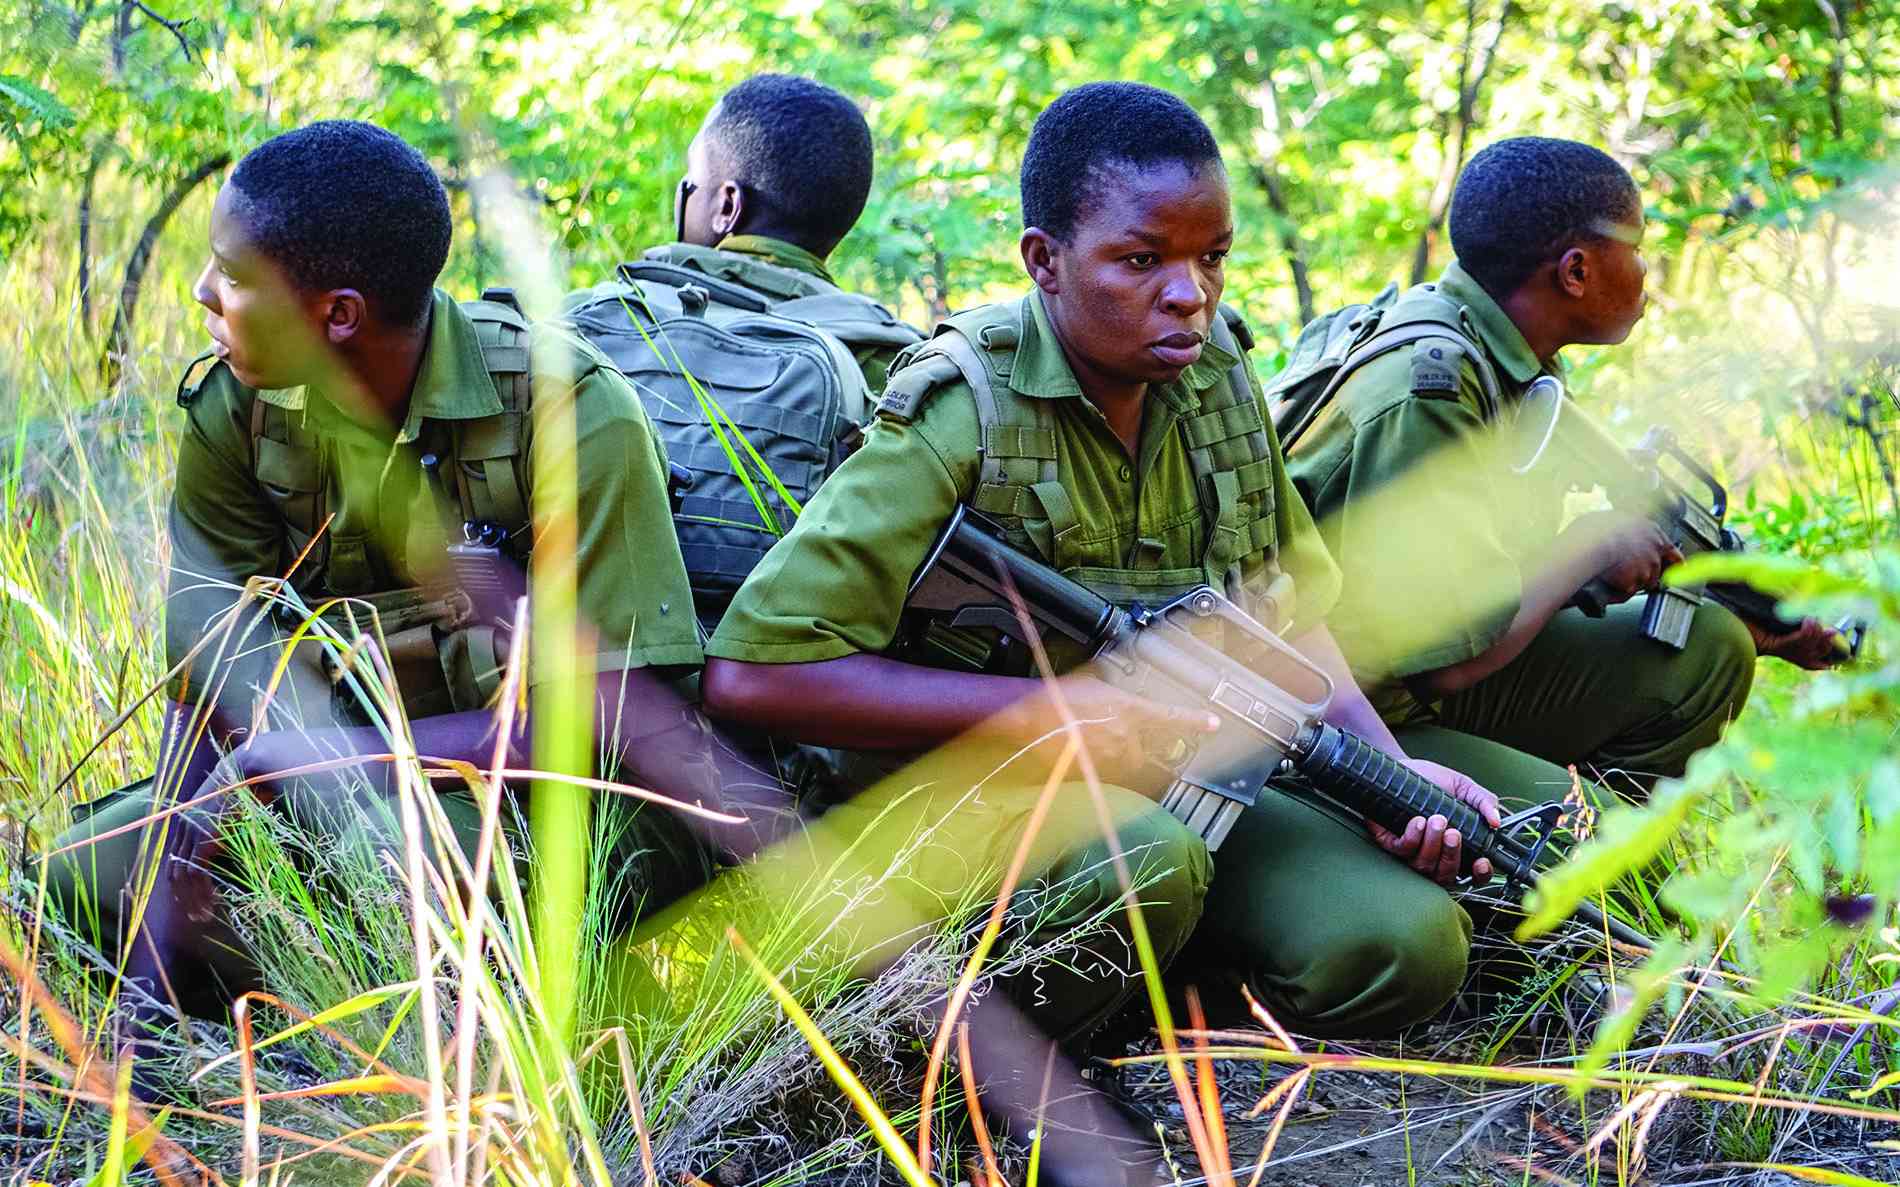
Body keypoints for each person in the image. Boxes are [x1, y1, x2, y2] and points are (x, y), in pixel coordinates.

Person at [696, 82, 1503, 1182]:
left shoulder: (1215, 381)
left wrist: (1384, 769)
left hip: (1190, 778)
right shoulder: (961, 404)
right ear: (1044, 260)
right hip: (966, 800)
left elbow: (1292, 612)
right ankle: (952, 1058)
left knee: (1401, 951)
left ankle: (1153, 999)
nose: (1189, 296)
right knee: (1143, 859)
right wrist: (1058, 713)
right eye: (1140, 262)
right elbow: (754, 673)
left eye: (1212, 259)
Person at [40, 121, 776, 1027]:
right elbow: (208, 681)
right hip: (313, 786)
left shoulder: (571, 412)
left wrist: (341, 760)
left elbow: (620, 727)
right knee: (77, 875)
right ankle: (264, 1000)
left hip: (551, 797)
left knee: (392, 894)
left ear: (338, 315)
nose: (202, 293)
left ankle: (446, 1037)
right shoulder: (239, 406)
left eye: (232, 275)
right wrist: (172, 871)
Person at [1283, 136, 1843, 802]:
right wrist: (1592, 547)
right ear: (1576, 271)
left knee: (1713, 643)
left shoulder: (1500, 349)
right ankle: (1554, 879)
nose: (1648, 272)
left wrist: (1762, 612)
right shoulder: (1431, 388)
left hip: (1405, 669)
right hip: (1351, 711)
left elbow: (1497, 570)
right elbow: (1443, 664)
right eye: (1636, 249)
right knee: (1579, 835)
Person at [658, 71, 919, 391]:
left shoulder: (623, 315)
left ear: (727, 207)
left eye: (692, 176)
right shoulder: (895, 368)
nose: (685, 190)